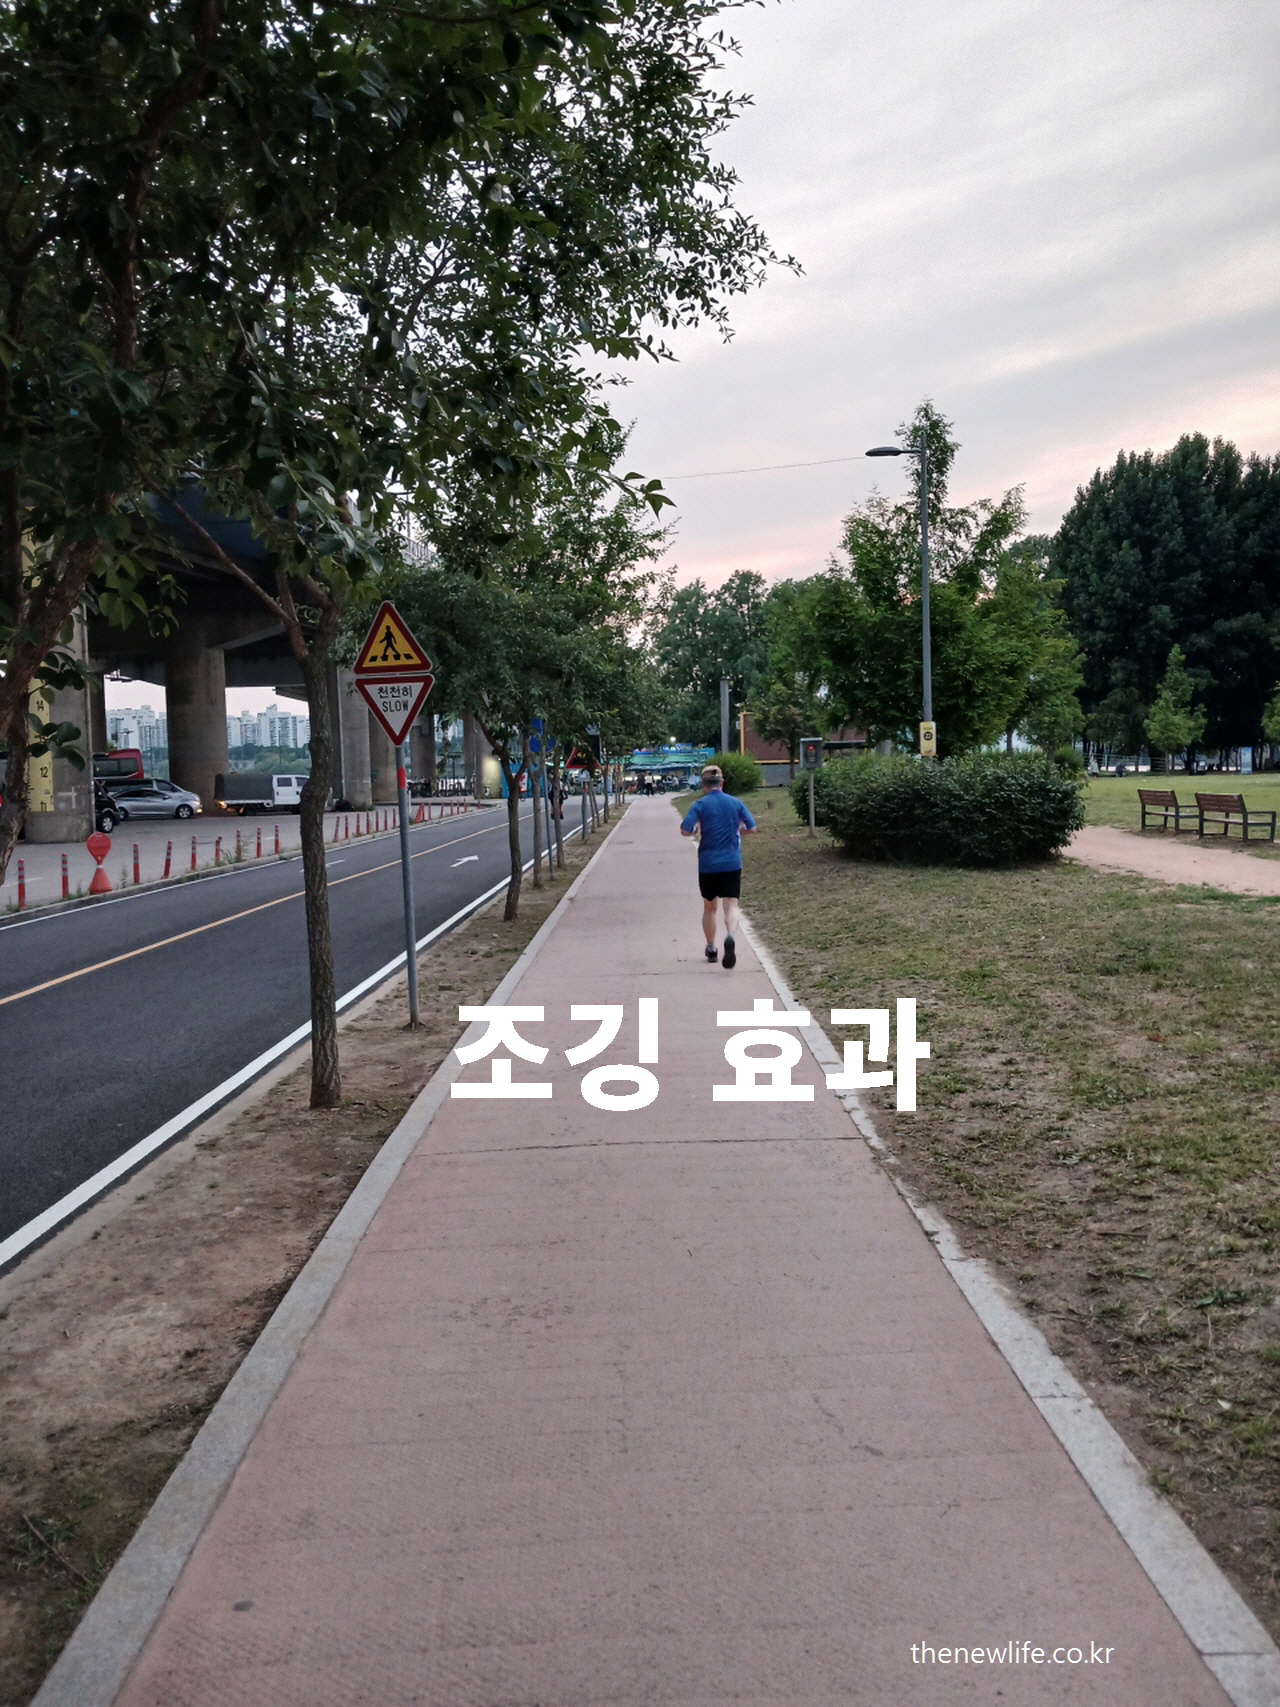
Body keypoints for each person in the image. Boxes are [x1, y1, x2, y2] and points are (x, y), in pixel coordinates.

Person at [680, 764, 756, 969]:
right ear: (722, 783)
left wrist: (696, 830)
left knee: (709, 907)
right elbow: (752, 827)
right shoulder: (736, 803)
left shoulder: (700, 805)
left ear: (704, 785)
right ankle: (730, 935)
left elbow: (685, 830)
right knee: (731, 905)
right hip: (732, 861)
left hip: (708, 864)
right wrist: (738, 831)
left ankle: (711, 947)